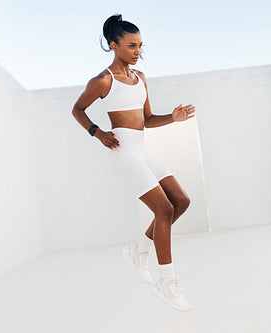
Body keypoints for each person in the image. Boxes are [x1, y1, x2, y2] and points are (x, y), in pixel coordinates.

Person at [71, 14, 195, 312]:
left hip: (141, 150)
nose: (137, 51)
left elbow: (148, 120)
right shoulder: (103, 80)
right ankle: (167, 283)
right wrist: (98, 133)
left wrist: (173, 118)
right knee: (163, 209)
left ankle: (139, 249)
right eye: (131, 45)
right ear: (114, 46)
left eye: (140, 45)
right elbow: (77, 109)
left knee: (181, 200)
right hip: (123, 153)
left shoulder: (141, 79)